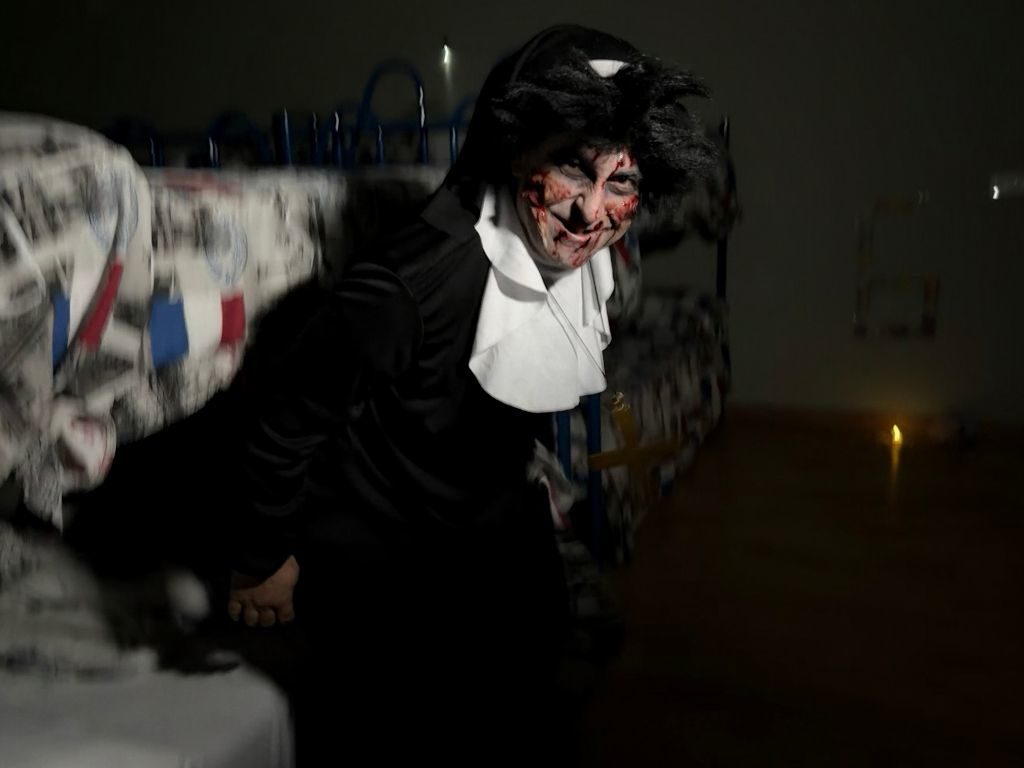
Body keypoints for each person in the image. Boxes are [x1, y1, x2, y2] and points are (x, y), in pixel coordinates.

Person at [225, 23, 715, 762]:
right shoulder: (411, 285)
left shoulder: (585, 265)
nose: (590, 214)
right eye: (573, 169)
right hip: (384, 548)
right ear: (516, 151)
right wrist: (264, 556)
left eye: (620, 183)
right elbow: (287, 415)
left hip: (480, 516)